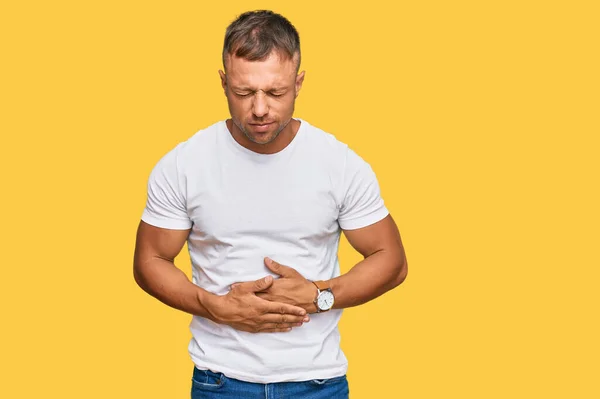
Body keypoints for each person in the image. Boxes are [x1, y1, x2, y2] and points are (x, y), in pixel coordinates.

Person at [133, 9, 408, 399]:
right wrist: (214, 306)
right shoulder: (184, 164)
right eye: (243, 92)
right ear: (224, 82)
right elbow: (149, 261)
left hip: (318, 382)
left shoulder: (339, 163)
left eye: (275, 92)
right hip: (220, 380)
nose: (259, 109)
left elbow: (392, 261)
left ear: (298, 83)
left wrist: (319, 294)